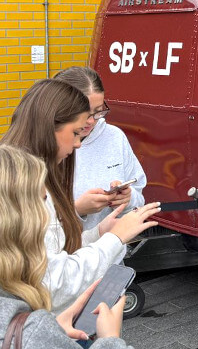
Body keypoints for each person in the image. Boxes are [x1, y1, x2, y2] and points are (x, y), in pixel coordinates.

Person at [0, 79, 160, 312]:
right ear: (50, 124)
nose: (78, 144)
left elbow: (51, 255)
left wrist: (99, 233)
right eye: (76, 132)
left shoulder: (29, 175)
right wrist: (114, 239)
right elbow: (55, 282)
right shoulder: (25, 185)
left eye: (99, 111)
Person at [0, 145, 135, 349]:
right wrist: (109, 340)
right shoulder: (32, 332)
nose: (48, 215)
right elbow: (58, 277)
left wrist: (54, 330)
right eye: (43, 203)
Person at [55, 67, 147, 231]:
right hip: (62, 254)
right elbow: (25, 223)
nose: (91, 121)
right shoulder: (41, 146)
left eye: (98, 112)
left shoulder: (115, 137)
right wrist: (77, 210)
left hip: (109, 253)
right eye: (84, 113)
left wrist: (128, 199)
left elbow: (139, 199)